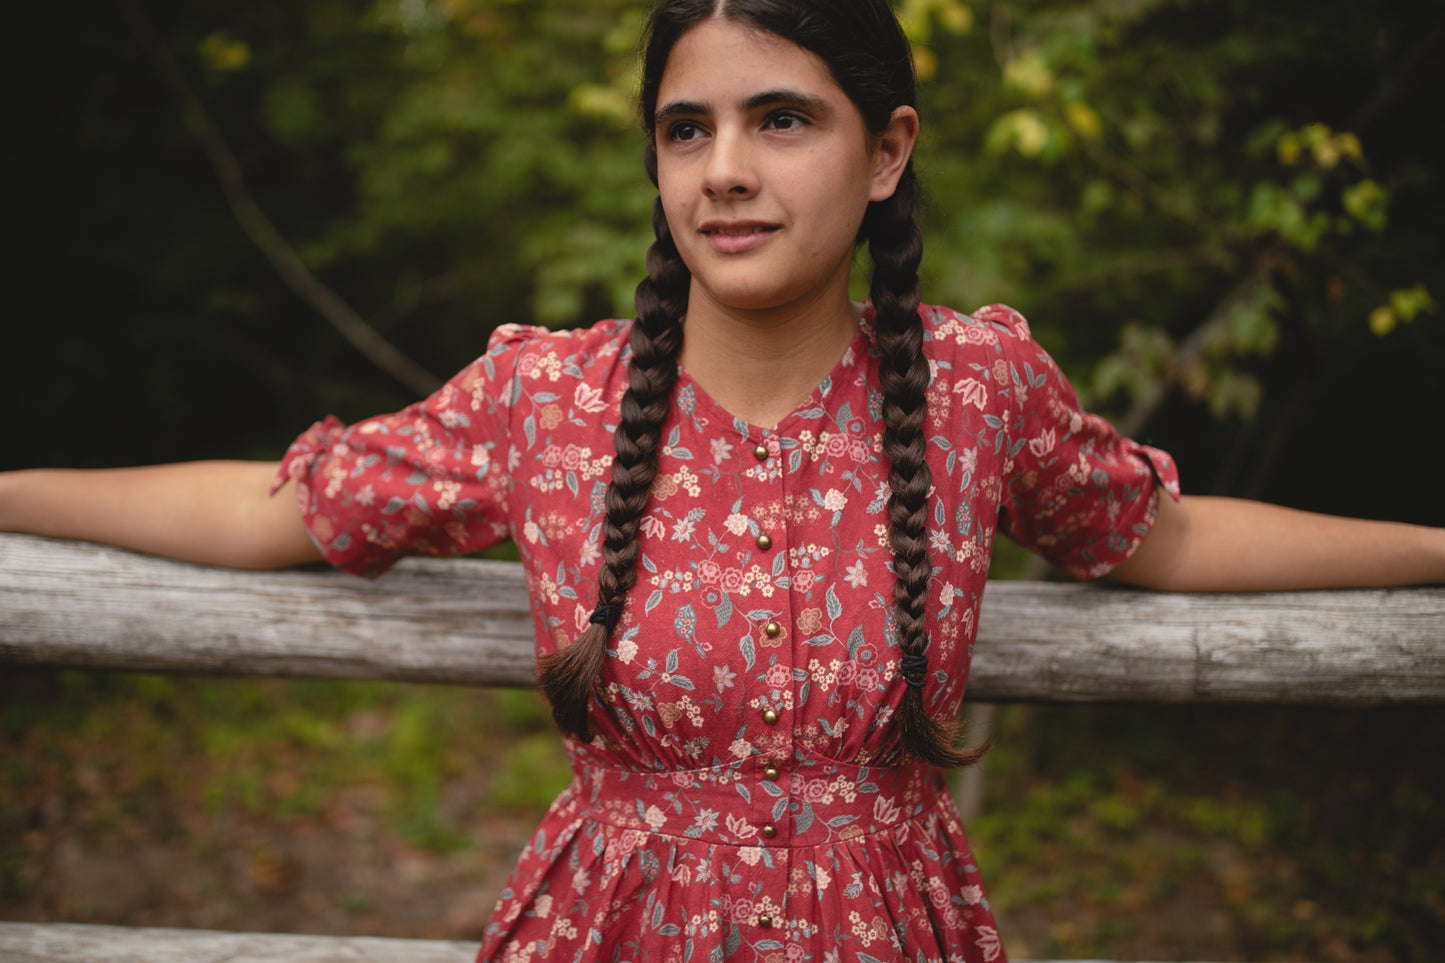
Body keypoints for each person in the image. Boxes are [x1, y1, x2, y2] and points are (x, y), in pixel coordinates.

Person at [2, 0, 1443, 960]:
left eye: (780, 120)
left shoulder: (970, 390)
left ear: (885, 153)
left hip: (890, 931)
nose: (724, 171)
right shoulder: (550, 401)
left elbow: (1164, 533)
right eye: (685, 129)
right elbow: (274, 504)